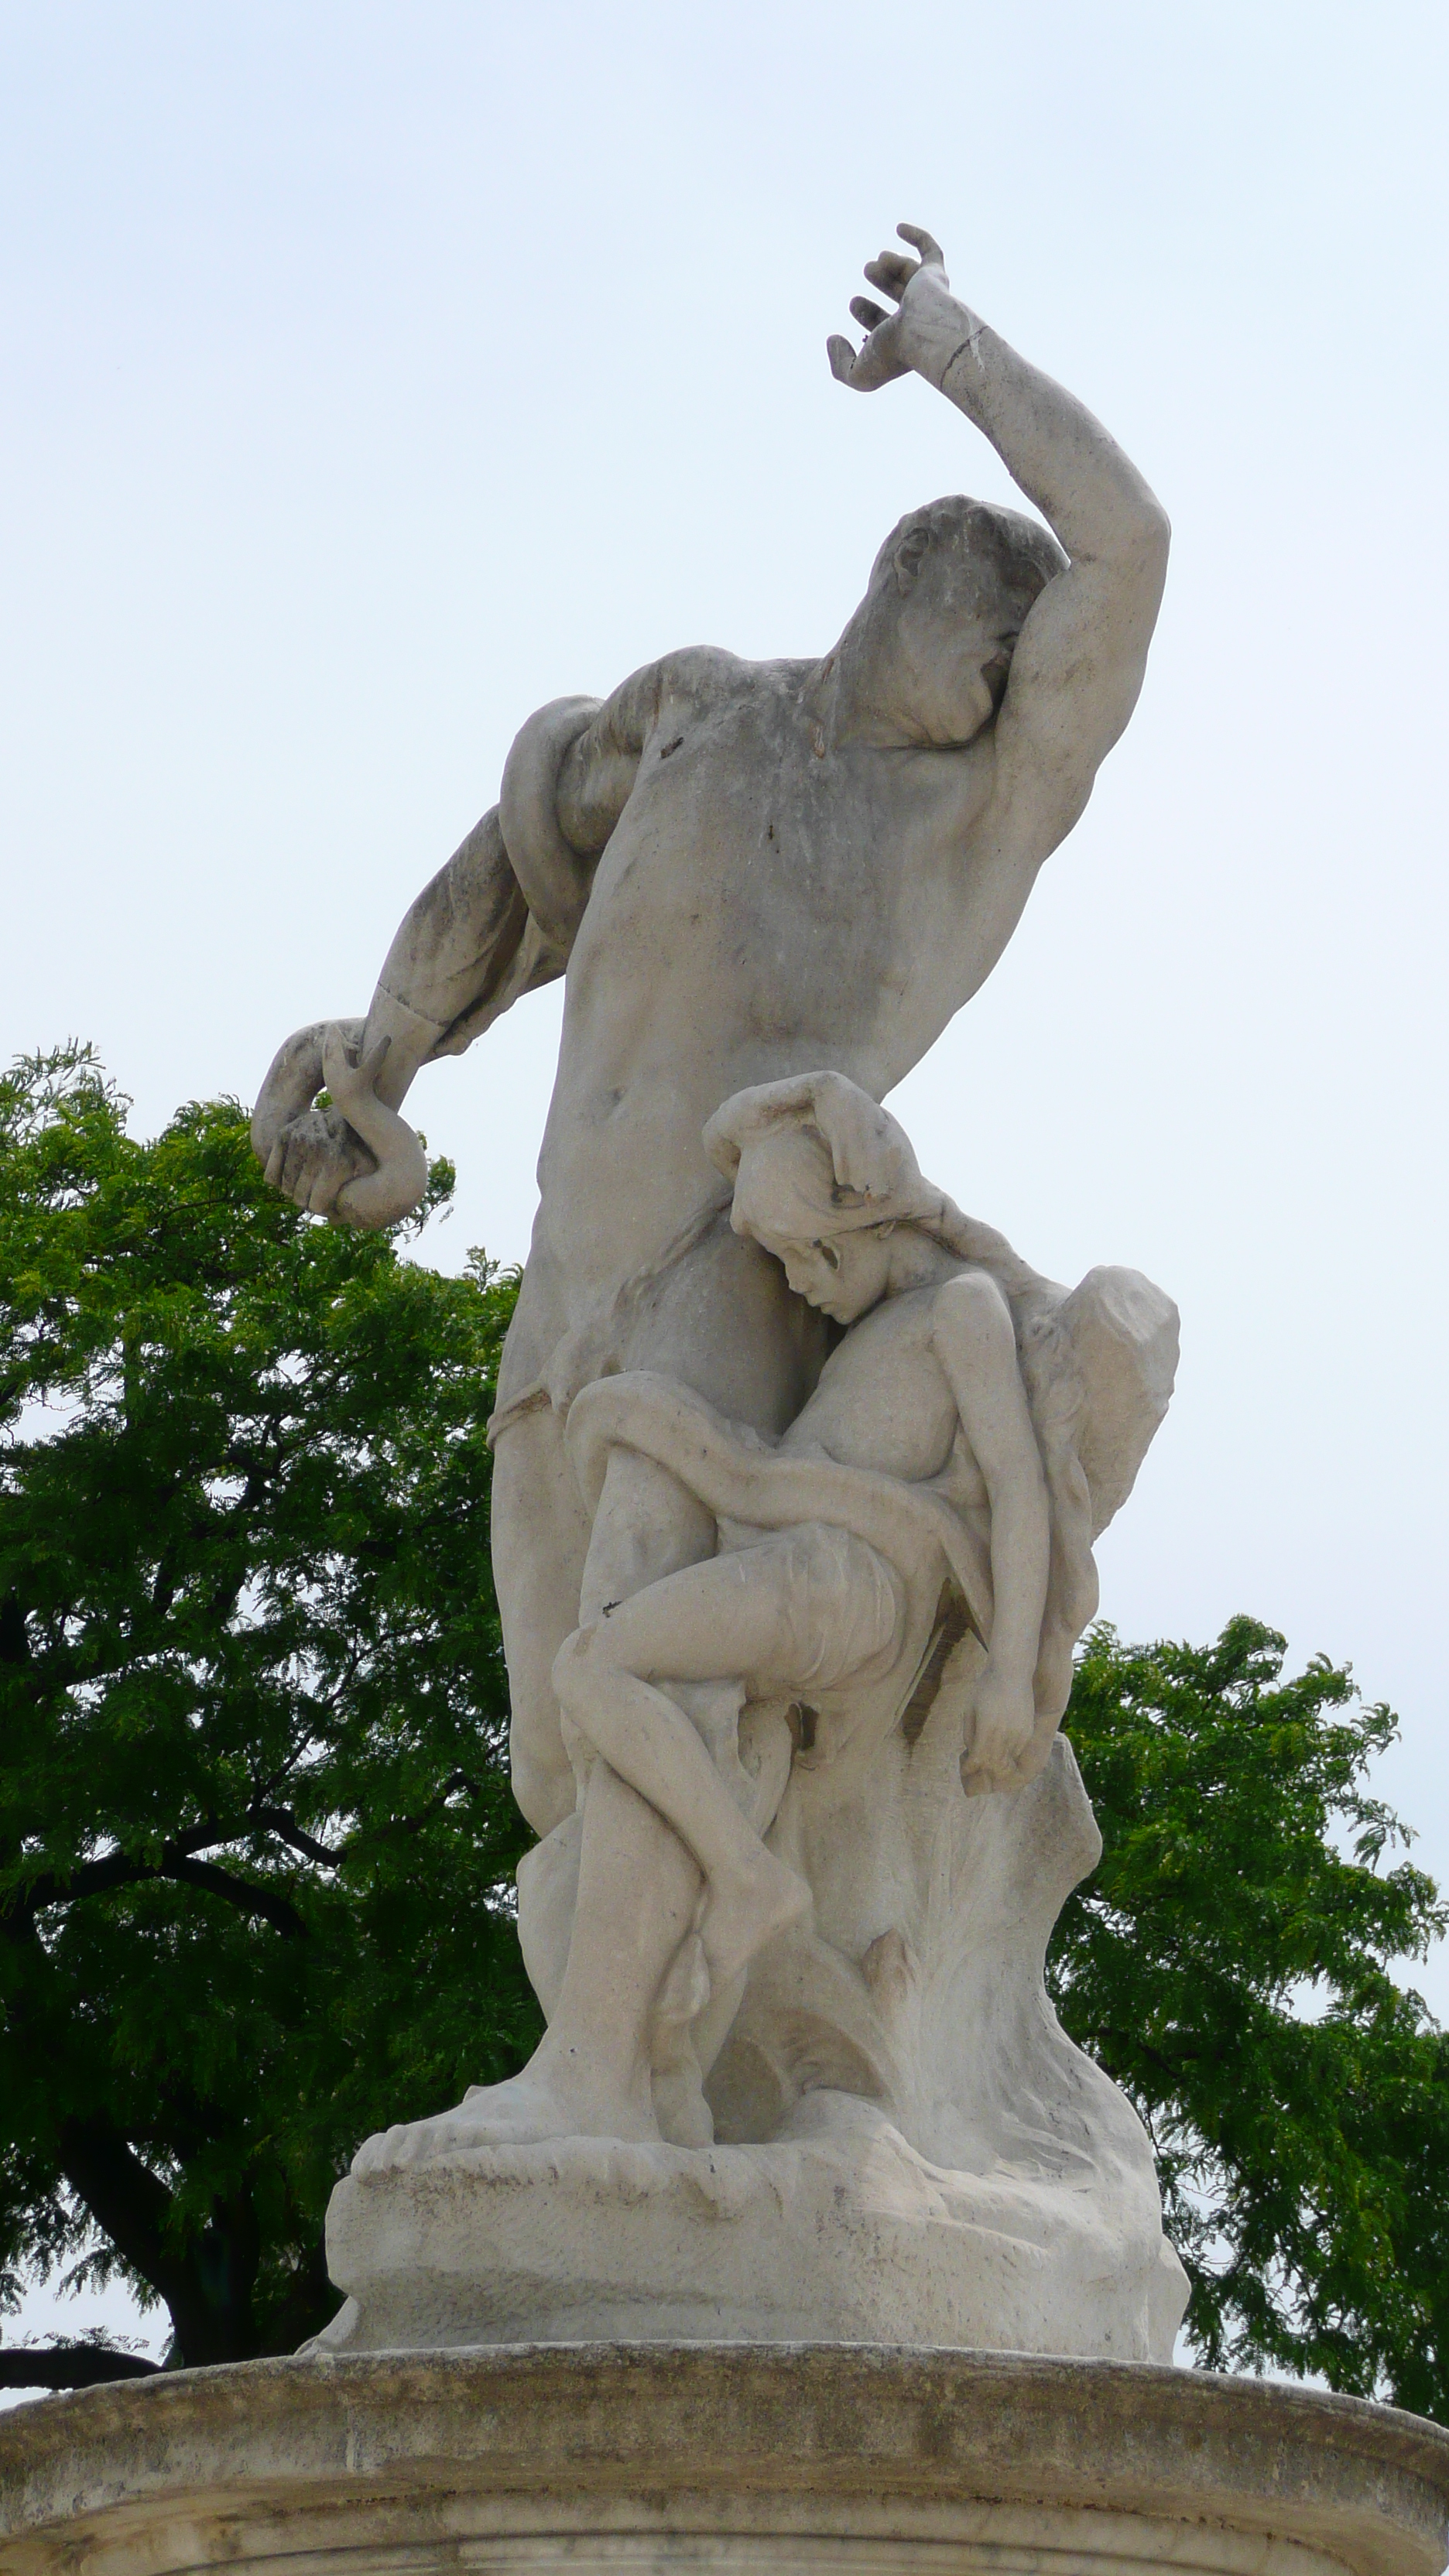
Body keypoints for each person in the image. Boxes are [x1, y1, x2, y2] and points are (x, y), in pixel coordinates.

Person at [252, 224, 1170, 2024]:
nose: (1002, 681)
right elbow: (514, 871)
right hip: (560, 1290)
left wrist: (958, 354)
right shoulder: (694, 714)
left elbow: (1134, 548)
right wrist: (384, 1055)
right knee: (556, 1763)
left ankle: (628, 2094)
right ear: (907, 579)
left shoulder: (977, 821)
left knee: (649, 1674)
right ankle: (779, 2044)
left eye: (1019, 663)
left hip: (726, 1280)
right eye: (992, 634)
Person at [355, 1074, 1102, 2163]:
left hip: (843, 1593)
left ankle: (748, 1881)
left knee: (601, 1663)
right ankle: (727, 1901)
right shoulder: (881, 1330)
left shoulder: (960, 1311)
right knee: (596, 1669)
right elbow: (780, 1478)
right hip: (807, 1568)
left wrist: (1014, 1676)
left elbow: (1019, 1491)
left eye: (809, 1255)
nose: (799, 1283)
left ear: (862, 1217)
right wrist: (800, 1101)